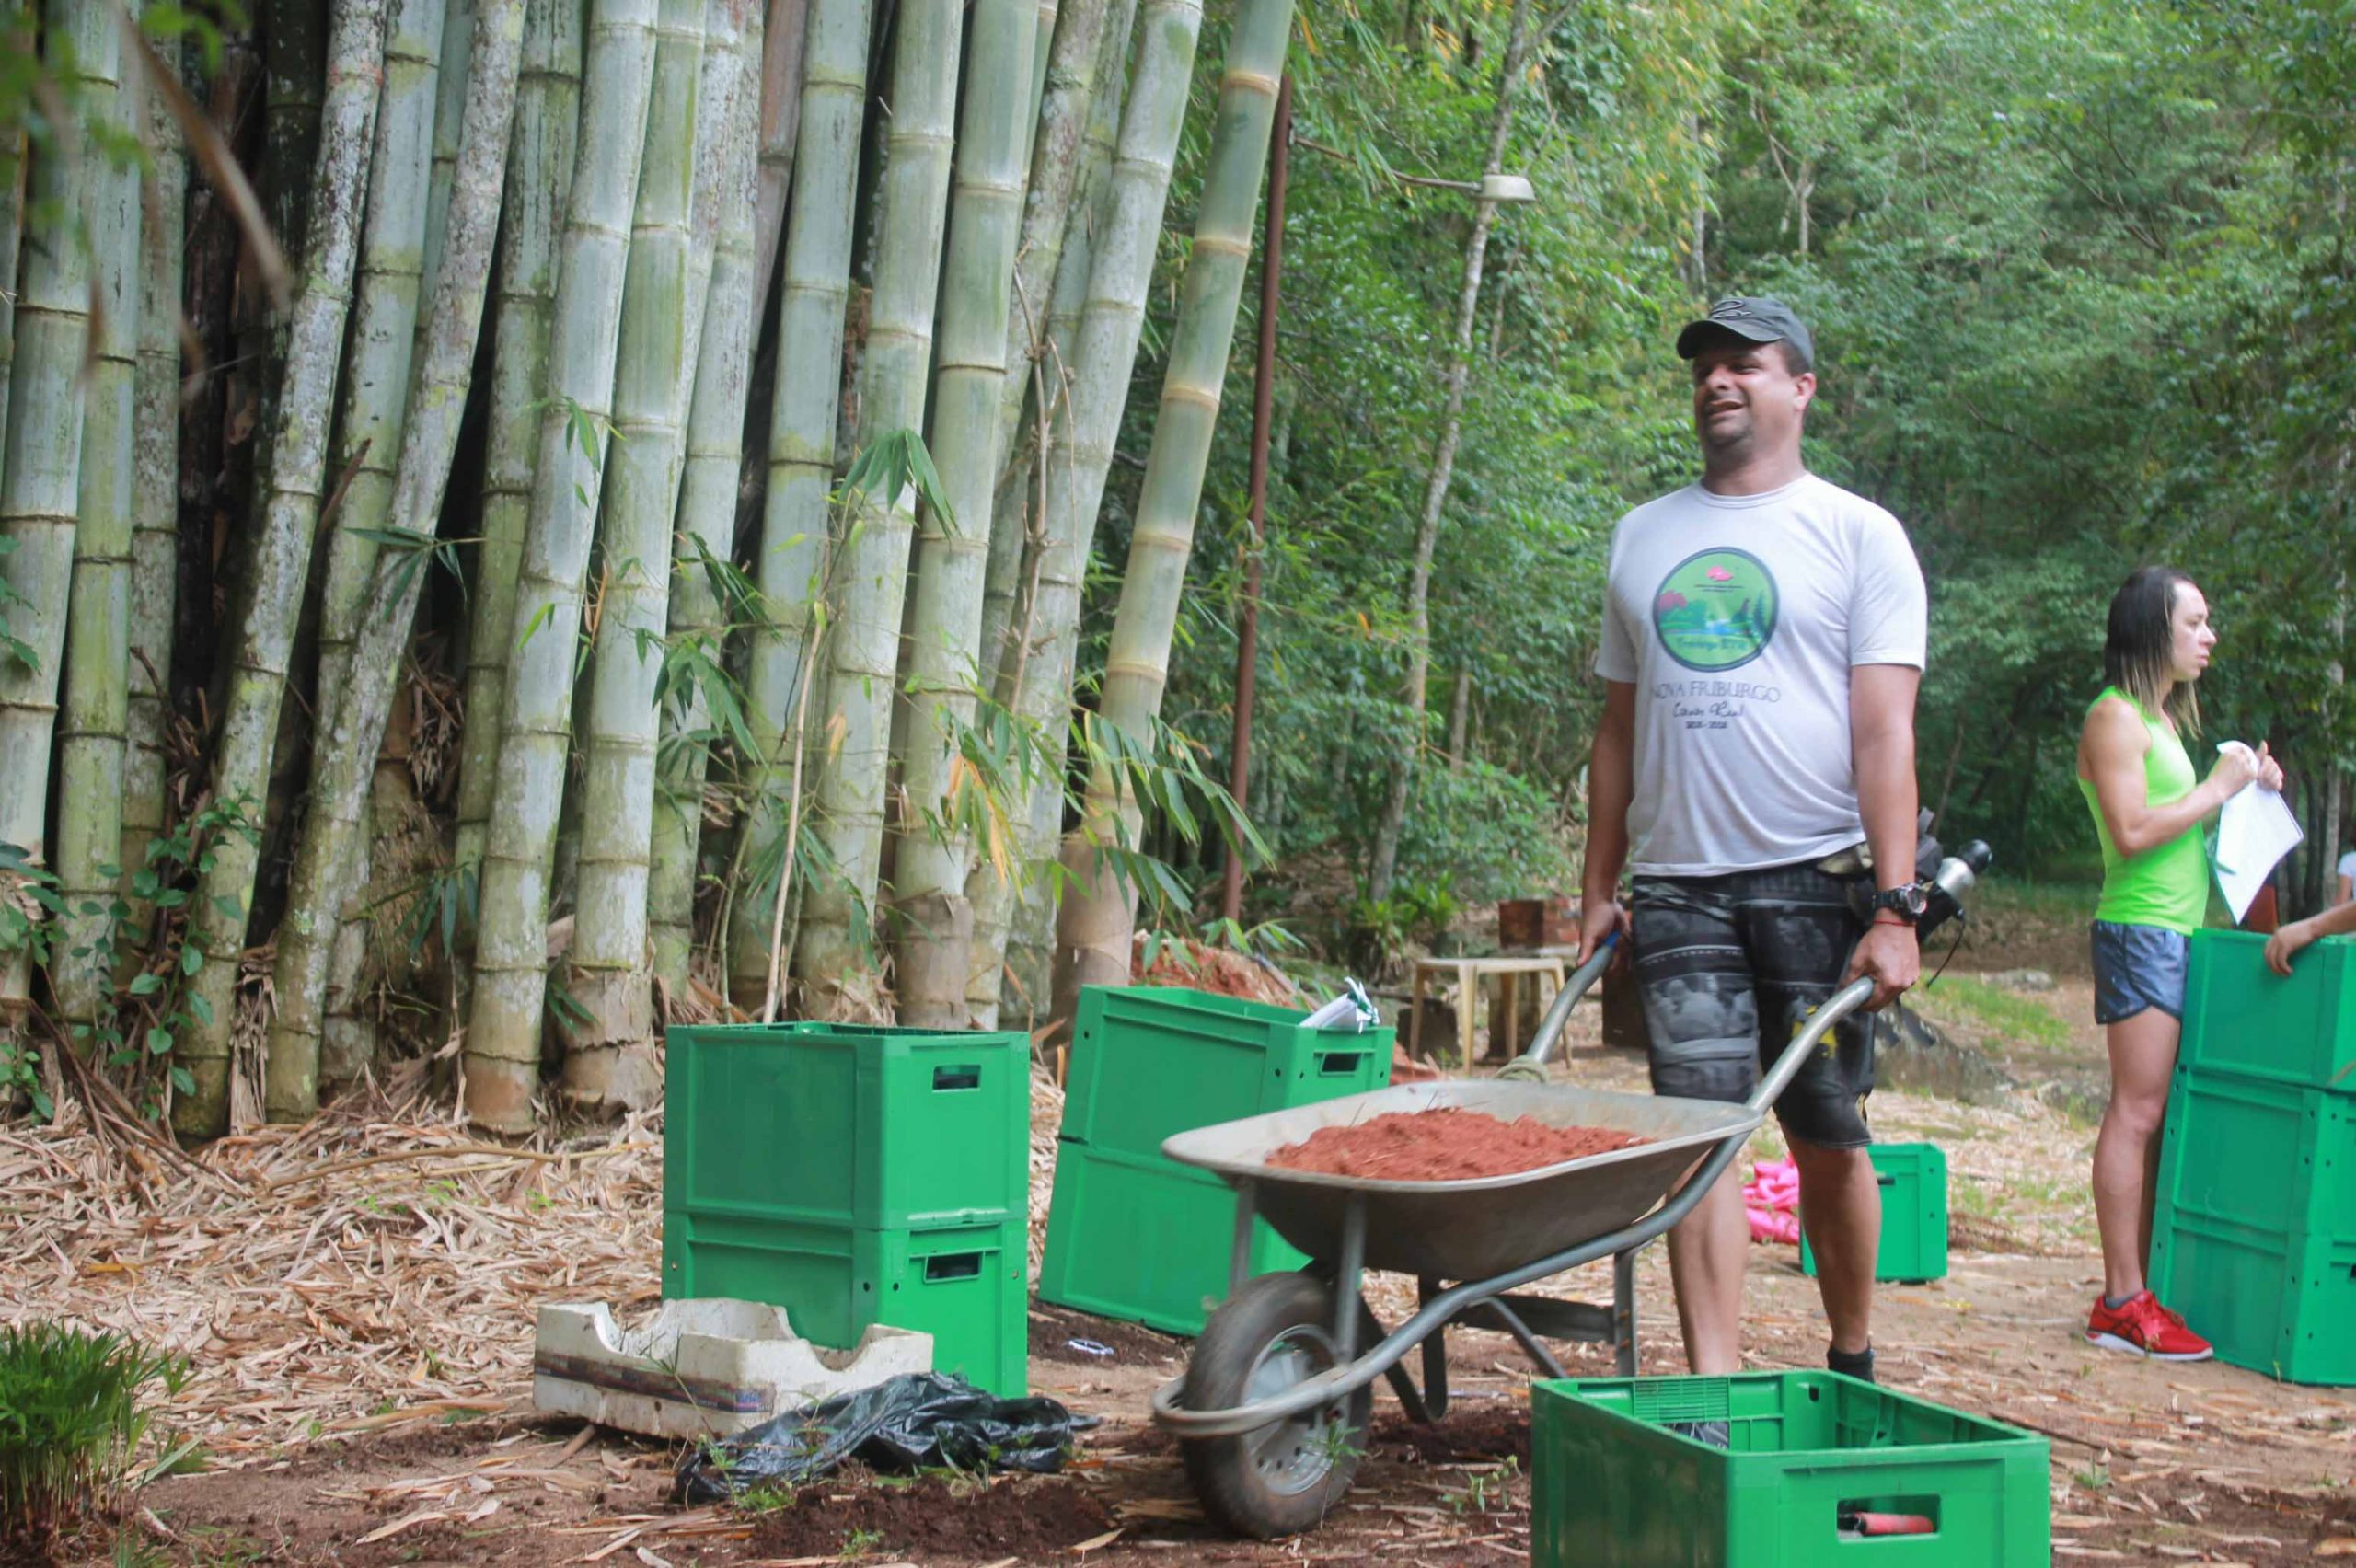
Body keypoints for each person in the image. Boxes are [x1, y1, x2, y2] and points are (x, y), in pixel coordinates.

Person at [1576, 296, 1927, 1405]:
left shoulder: (1858, 534)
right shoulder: (1642, 535)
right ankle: (1714, 1399)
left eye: (1744, 365)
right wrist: (1596, 888)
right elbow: (1616, 731)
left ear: (1801, 389)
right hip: (1677, 888)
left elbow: (1885, 733)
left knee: (1825, 1132)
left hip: (1818, 880)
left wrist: (1896, 907)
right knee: (1699, 1142)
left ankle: (1851, 1356)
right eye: (1703, 370)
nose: (1717, 382)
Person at [2075, 566, 2281, 1361]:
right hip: (2140, 932)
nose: (2209, 636)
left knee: (2157, 1114)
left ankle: (2140, 1288)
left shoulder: (2159, 722)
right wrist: (2219, 787)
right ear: (2152, 627)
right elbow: (2132, 832)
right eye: (2194, 622)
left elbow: (2180, 827)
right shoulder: (2113, 717)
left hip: (2177, 933)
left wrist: (2249, 789)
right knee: (2136, 1111)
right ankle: (2119, 1302)